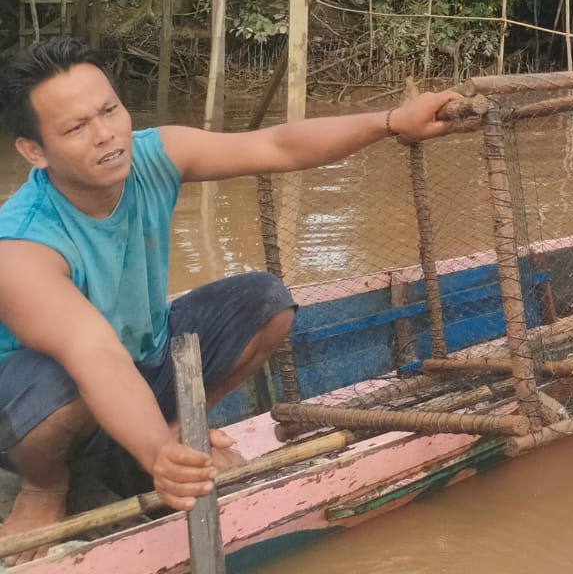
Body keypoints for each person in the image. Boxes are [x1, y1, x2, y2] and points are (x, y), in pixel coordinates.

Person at [0, 36, 459, 557]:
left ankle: (178, 428)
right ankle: (45, 488)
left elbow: (276, 146)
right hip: (39, 401)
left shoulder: (155, 155)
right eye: (76, 128)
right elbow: (92, 351)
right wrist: (157, 453)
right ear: (34, 152)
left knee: (264, 301)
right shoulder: (20, 246)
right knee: (63, 376)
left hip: (141, 361)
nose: (107, 135)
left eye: (109, 110)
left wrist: (392, 122)